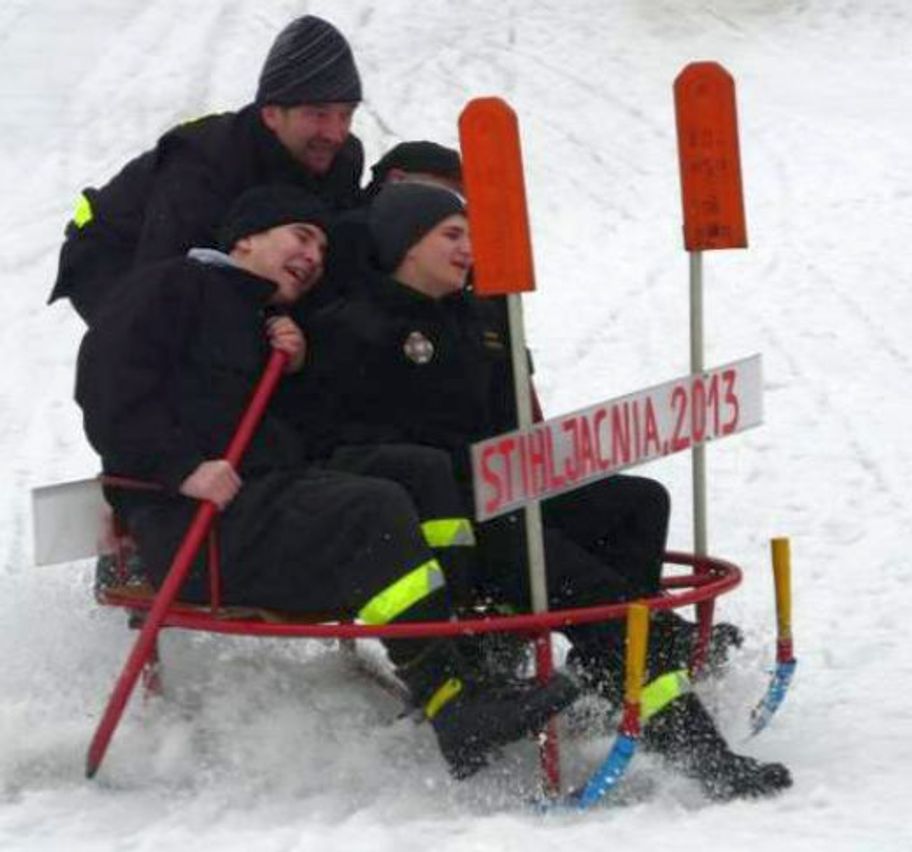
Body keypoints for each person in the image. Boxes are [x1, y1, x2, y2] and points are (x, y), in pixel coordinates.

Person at [299, 183, 792, 800]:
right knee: (596, 592)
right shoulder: (353, 327)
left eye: (472, 237)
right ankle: (698, 748)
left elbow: (509, 428)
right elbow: (338, 446)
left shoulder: (478, 322)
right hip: (443, 526)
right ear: (405, 245)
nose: (468, 249)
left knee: (637, 503)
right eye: (452, 235)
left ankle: (611, 668)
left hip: (497, 491)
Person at [74, 185, 578, 780]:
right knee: (372, 506)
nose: (313, 256)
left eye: (321, 245)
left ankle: (462, 655)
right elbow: (106, 387)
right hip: (200, 531)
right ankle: (452, 703)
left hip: (263, 499)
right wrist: (181, 469)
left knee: (418, 467)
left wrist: (294, 364)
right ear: (245, 239)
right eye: (301, 236)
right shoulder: (173, 286)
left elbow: (287, 428)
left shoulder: (263, 318)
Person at [50, 14, 366, 323]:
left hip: (215, 252)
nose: (336, 133)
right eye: (319, 114)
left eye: (346, 114)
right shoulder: (205, 161)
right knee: (169, 337)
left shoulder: (344, 158)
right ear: (271, 114)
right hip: (114, 257)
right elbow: (163, 284)